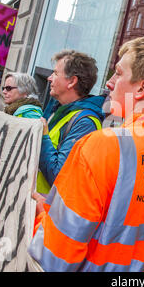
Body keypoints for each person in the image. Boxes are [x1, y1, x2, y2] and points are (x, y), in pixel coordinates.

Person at [27, 37, 144, 272]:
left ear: (141, 88)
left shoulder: (100, 146)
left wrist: (45, 219)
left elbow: (54, 258)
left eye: (118, 73)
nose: (109, 83)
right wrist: (58, 210)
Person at [36, 50, 106, 195]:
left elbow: (58, 175)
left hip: (49, 211)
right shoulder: (58, 109)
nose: (49, 78)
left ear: (72, 81)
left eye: (55, 73)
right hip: (37, 208)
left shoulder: (85, 123)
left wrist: (42, 136)